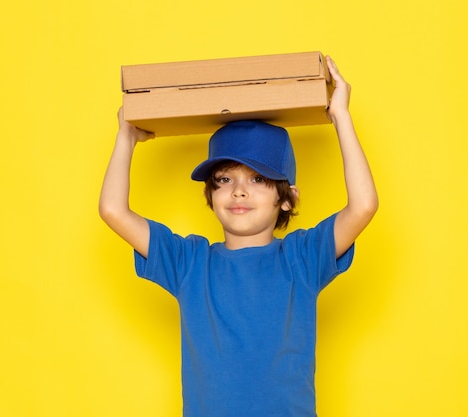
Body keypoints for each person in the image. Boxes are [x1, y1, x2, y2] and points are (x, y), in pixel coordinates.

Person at [99, 56, 378, 417]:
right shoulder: (189, 262)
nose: (239, 191)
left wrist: (341, 115)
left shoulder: (302, 258)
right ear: (211, 196)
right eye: (225, 179)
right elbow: (113, 211)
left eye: (258, 179)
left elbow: (363, 206)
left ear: (287, 199)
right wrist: (126, 137)